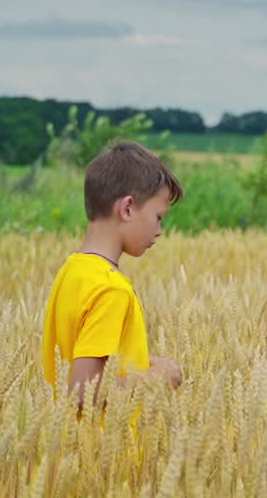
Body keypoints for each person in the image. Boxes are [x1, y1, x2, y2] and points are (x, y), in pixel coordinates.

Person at [41, 140, 185, 406]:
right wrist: (158, 378)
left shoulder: (73, 271)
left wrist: (144, 363)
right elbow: (82, 393)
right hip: (96, 446)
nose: (159, 230)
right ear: (127, 208)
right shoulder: (111, 289)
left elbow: (78, 362)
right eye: (158, 217)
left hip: (64, 444)